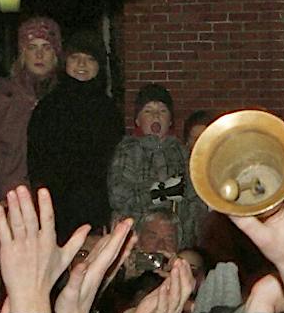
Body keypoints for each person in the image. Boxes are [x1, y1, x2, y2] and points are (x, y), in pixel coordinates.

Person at [26, 30, 122, 236]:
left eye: (89, 59)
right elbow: (36, 158)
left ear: (99, 66)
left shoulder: (108, 110)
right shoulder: (49, 106)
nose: (81, 65)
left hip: (97, 205)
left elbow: (116, 161)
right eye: (75, 58)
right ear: (65, 63)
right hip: (57, 205)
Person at [0, 19, 63, 205]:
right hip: (6, 202)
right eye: (32, 47)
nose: (39, 54)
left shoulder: (66, 98)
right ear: (23, 52)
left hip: (57, 207)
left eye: (46, 47)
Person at [108, 84, 190, 238]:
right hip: (137, 234)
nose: (156, 116)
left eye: (162, 111)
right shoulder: (127, 150)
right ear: (137, 120)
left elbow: (193, 197)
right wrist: (158, 192)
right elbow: (118, 197)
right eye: (148, 111)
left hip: (175, 235)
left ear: (171, 120)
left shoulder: (181, 152)